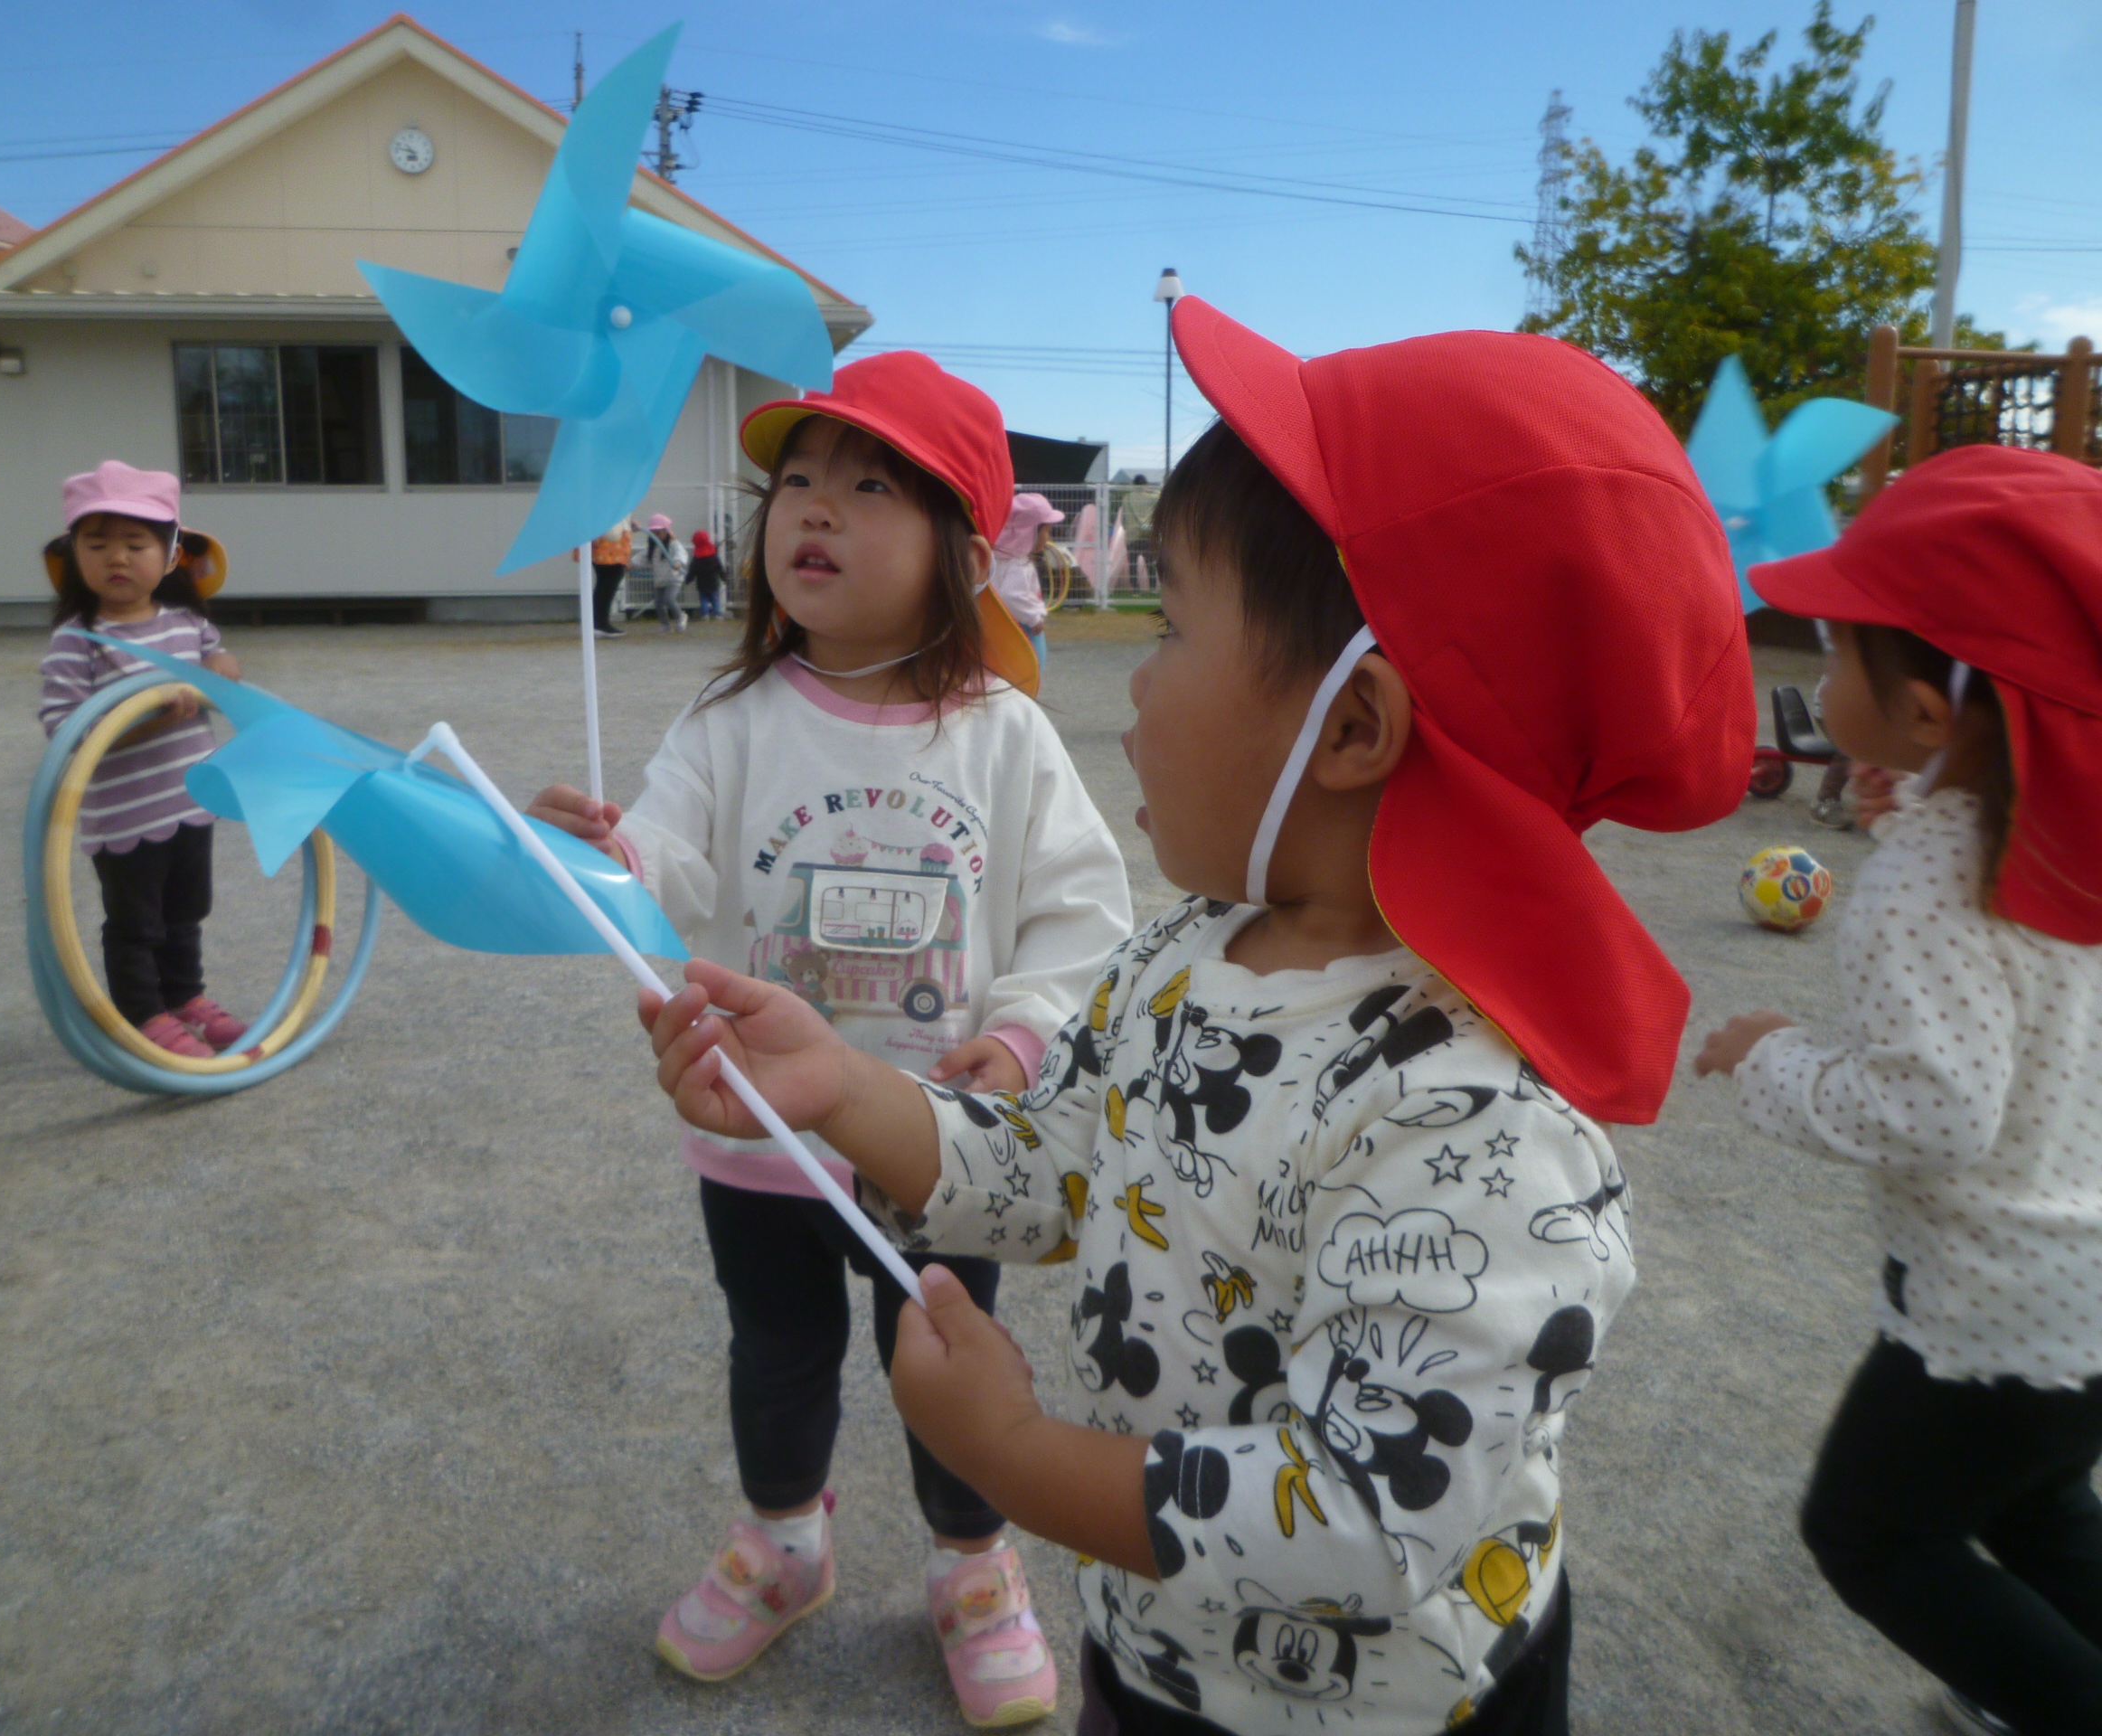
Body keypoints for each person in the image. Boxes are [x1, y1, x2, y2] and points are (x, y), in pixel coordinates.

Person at [639, 305, 1753, 1735]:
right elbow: (1052, 1169)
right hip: (1154, 1645)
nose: (1134, 680)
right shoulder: (1183, 953)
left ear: (1353, 729)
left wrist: (1015, 1457)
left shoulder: (1470, 1118)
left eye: (1170, 627)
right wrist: (846, 1088)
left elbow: (1366, 1519)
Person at [527, 352, 1133, 1724]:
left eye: (868, 489)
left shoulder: (1007, 736)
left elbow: (1084, 915)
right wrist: (616, 858)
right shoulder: (730, 717)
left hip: (940, 1144)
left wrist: (1021, 1041)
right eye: (796, 481)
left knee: (950, 1365)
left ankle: (971, 1563)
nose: (812, 507)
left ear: (958, 550)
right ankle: (785, 1542)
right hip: (758, 1132)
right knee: (776, 1351)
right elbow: (669, 853)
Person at [1696, 447, 2102, 1736]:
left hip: (1995, 1305)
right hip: (2081, 1299)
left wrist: (1769, 1053)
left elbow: (1933, 1110)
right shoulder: (2053, 837)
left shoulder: (1928, 885)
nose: (1812, 681)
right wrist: (1917, 804)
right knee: (2035, 1509)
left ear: (1927, 714)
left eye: (1830, 653)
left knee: (1871, 1534)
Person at [36, 460, 248, 1059]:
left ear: (172, 554)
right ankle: (144, 1016)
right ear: (73, 556)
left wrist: (221, 671)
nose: (117, 558)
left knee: (186, 912)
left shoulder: (187, 624)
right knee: (136, 924)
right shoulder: (77, 641)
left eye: (136, 544)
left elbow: (223, 666)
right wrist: (153, 718)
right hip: (127, 817)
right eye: (97, 544)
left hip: (191, 802)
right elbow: (64, 728)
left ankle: (185, 998)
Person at [989, 492, 1063, 671]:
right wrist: (1033, 619)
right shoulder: (1020, 565)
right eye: (1046, 532)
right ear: (1029, 533)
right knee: (1032, 671)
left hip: (998, 627)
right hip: (1024, 628)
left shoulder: (994, 560)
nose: (1048, 538)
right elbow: (1011, 595)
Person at [589, 516, 634, 638]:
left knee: (603, 585)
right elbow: (613, 535)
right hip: (612, 547)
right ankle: (601, 624)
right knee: (607, 586)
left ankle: (597, 623)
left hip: (601, 545)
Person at [647, 514, 690, 633]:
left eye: (659, 533)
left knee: (669, 599)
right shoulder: (653, 547)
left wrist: (678, 562)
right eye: (654, 533)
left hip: (673, 578)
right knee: (658, 603)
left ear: (666, 531)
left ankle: (681, 617)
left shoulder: (673, 544)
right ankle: (665, 625)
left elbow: (681, 553)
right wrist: (631, 564)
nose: (657, 536)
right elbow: (644, 558)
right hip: (660, 579)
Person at [689, 528, 727, 619]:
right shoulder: (713, 556)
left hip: (702, 584)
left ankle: (705, 615)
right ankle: (717, 614)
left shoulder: (696, 558)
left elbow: (692, 570)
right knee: (715, 599)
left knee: (704, 600)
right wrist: (724, 577)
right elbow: (719, 568)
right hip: (713, 582)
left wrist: (688, 579)